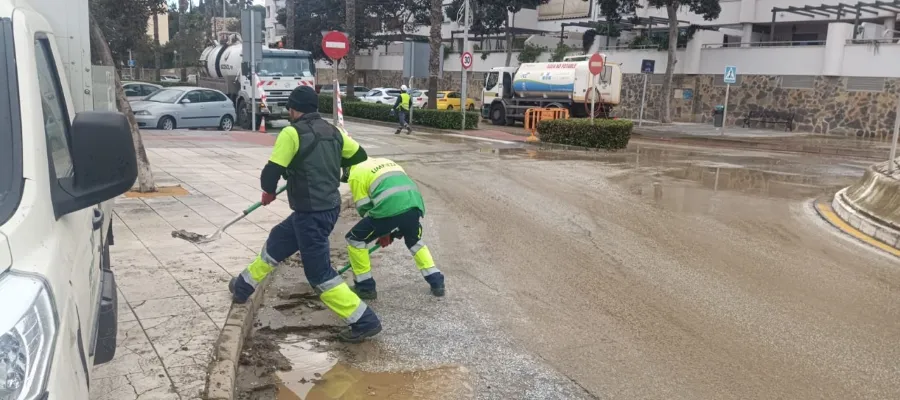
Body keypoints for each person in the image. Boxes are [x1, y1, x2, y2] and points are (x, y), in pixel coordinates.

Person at [228, 85, 382, 343]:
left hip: (312, 212)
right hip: (326, 208)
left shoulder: (291, 133)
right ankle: (243, 285)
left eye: (289, 109)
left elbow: (271, 173)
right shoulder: (335, 133)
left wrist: (268, 192)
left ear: (293, 109)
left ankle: (364, 320)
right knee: (278, 240)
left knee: (319, 275)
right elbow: (360, 155)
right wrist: (336, 167)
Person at [341, 157, 445, 300]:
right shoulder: (385, 161)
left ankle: (365, 287)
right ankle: (437, 282)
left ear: (346, 169)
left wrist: (384, 233)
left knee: (355, 239)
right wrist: (387, 231)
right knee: (414, 241)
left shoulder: (355, 174)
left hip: (390, 208)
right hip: (414, 204)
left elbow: (366, 210)